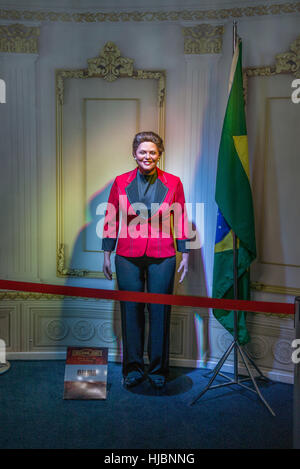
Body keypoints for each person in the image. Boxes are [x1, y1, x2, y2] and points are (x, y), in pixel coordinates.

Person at [102, 131, 189, 390]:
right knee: (131, 312)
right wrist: (106, 253)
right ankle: (133, 369)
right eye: (142, 152)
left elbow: (182, 218)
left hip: (163, 256)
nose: (147, 156)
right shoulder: (120, 181)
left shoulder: (174, 182)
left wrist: (185, 254)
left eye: (152, 152)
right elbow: (111, 218)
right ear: (134, 154)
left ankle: (159, 370)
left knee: (160, 312)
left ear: (159, 154)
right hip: (127, 256)